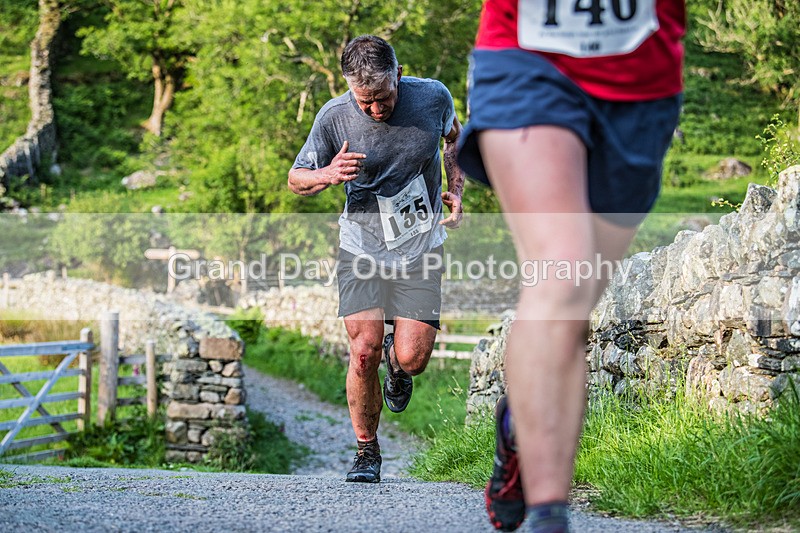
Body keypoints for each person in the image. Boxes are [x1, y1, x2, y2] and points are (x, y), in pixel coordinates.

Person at [456, 1, 685, 531]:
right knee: (561, 272)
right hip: (526, 58)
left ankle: (520, 419)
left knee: (572, 308)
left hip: (640, 79)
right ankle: (548, 514)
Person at [288, 35, 464, 483]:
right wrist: (326, 174)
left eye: (382, 98)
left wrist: (456, 189)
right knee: (362, 349)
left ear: (399, 75)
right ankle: (367, 452)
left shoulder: (433, 97)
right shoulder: (333, 116)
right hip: (362, 246)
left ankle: (399, 364)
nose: (374, 109)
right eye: (363, 101)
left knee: (413, 358)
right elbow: (296, 178)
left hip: (419, 244)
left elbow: (454, 138)